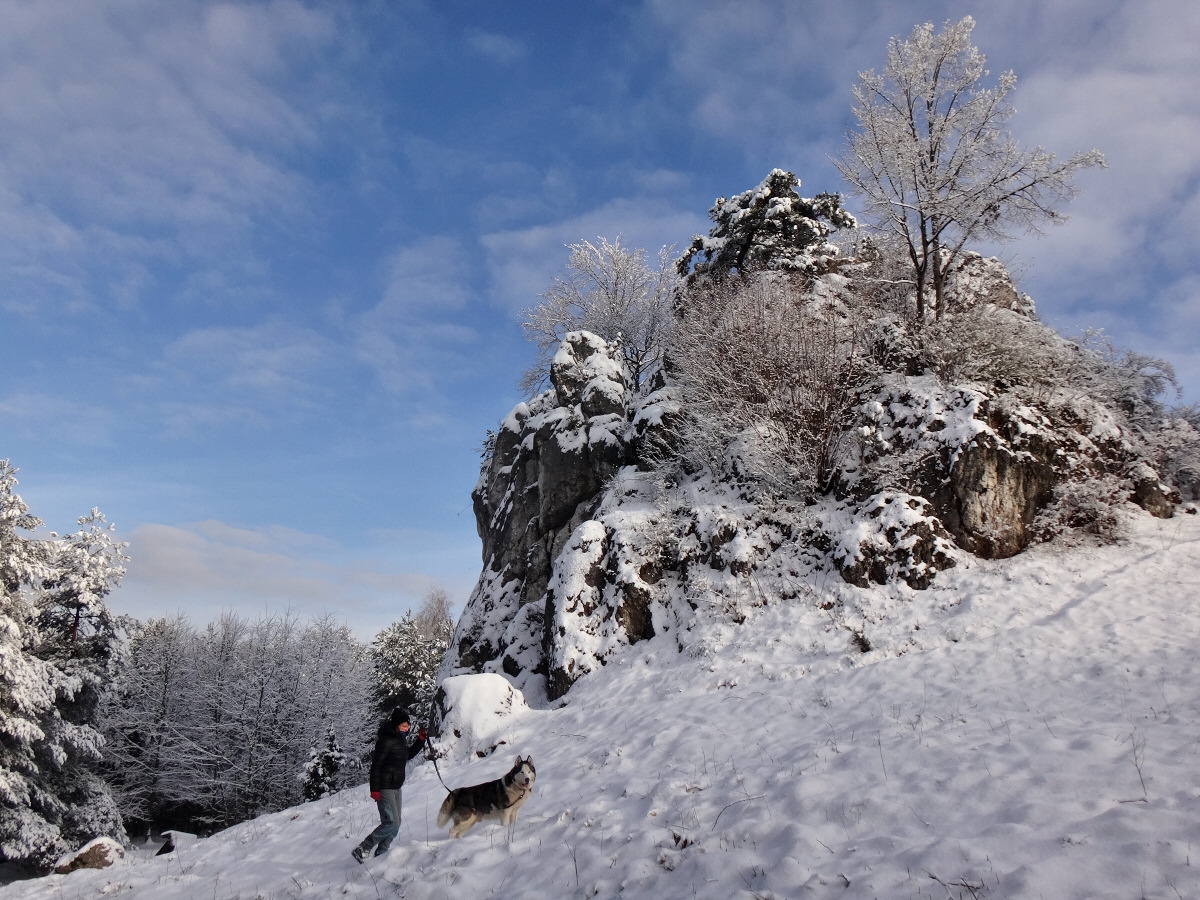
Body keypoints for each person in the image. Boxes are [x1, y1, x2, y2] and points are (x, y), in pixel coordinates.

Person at [352, 707, 427, 863]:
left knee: (396, 824)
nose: (406, 728)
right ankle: (363, 848)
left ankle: (382, 855)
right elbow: (376, 765)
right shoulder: (385, 741)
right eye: (403, 725)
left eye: (407, 725)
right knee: (391, 823)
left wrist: (420, 740)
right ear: (396, 724)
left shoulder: (400, 740)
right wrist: (374, 789)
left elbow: (408, 755)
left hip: (396, 787)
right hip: (385, 787)